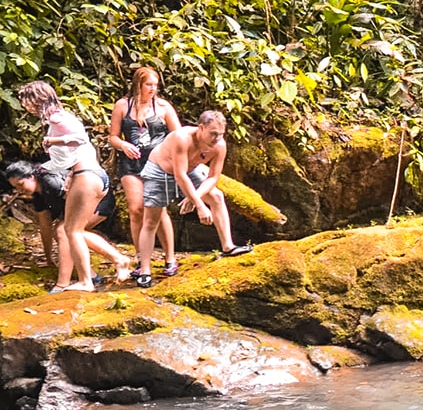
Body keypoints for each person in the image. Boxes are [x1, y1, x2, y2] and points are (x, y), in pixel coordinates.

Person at [135, 110, 252, 288]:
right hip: (160, 170)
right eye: (213, 134)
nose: (216, 138)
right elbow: (179, 174)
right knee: (151, 220)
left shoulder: (220, 145)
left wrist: (195, 197)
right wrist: (199, 205)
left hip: (191, 170)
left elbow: (213, 177)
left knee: (217, 197)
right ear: (201, 128)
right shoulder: (182, 138)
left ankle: (228, 245)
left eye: (220, 135)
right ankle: (144, 270)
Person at [18, 81, 111, 291]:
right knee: (69, 230)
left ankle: (87, 280)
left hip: (87, 176)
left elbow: (81, 138)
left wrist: (52, 141)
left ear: (36, 100)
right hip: (89, 174)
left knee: (72, 231)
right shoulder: (58, 118)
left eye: (26, 102)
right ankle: (85, 278)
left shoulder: (56, 117)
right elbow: (79, 152)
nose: (25, 107)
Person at [6, 161, 132, 292]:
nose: (20, 190)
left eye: (21, 184)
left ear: (31, 177)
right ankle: (93, 275)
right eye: (16, 187)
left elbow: (77, 203)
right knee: (63, 231)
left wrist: (61, 283)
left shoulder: (52, 181)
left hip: (98, 200)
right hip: (85, 203)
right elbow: (45, 227)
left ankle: (64, 283)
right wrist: (48, 258)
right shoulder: (38, 196)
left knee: (66, 231)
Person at [109, 67, 180, 278]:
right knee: (136, 209)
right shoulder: (123, 105)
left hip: (158, 165)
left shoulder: (163, 107)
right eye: (149, 84)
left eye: (155, 85)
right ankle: (142, 258)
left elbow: (179, 135)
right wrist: (123, 145)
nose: (153, 89)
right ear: (138, 84)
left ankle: (170, 258)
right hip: (131, 164)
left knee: (159, 210)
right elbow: (113, 136)